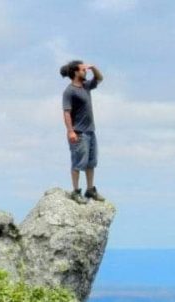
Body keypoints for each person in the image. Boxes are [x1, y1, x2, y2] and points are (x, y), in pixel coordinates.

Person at [60, 60, 105, 204]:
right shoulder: (69, 91)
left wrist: (93, 67)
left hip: (91, 131)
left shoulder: (86, 86)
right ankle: (75, 191)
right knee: (78, 163)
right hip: (79, 133)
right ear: (75, 72)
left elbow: (99, 78)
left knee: (91, 162)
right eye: (82, 69)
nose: (85, 71)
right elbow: (67, 112)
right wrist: (70, 131)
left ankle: (90, 189)